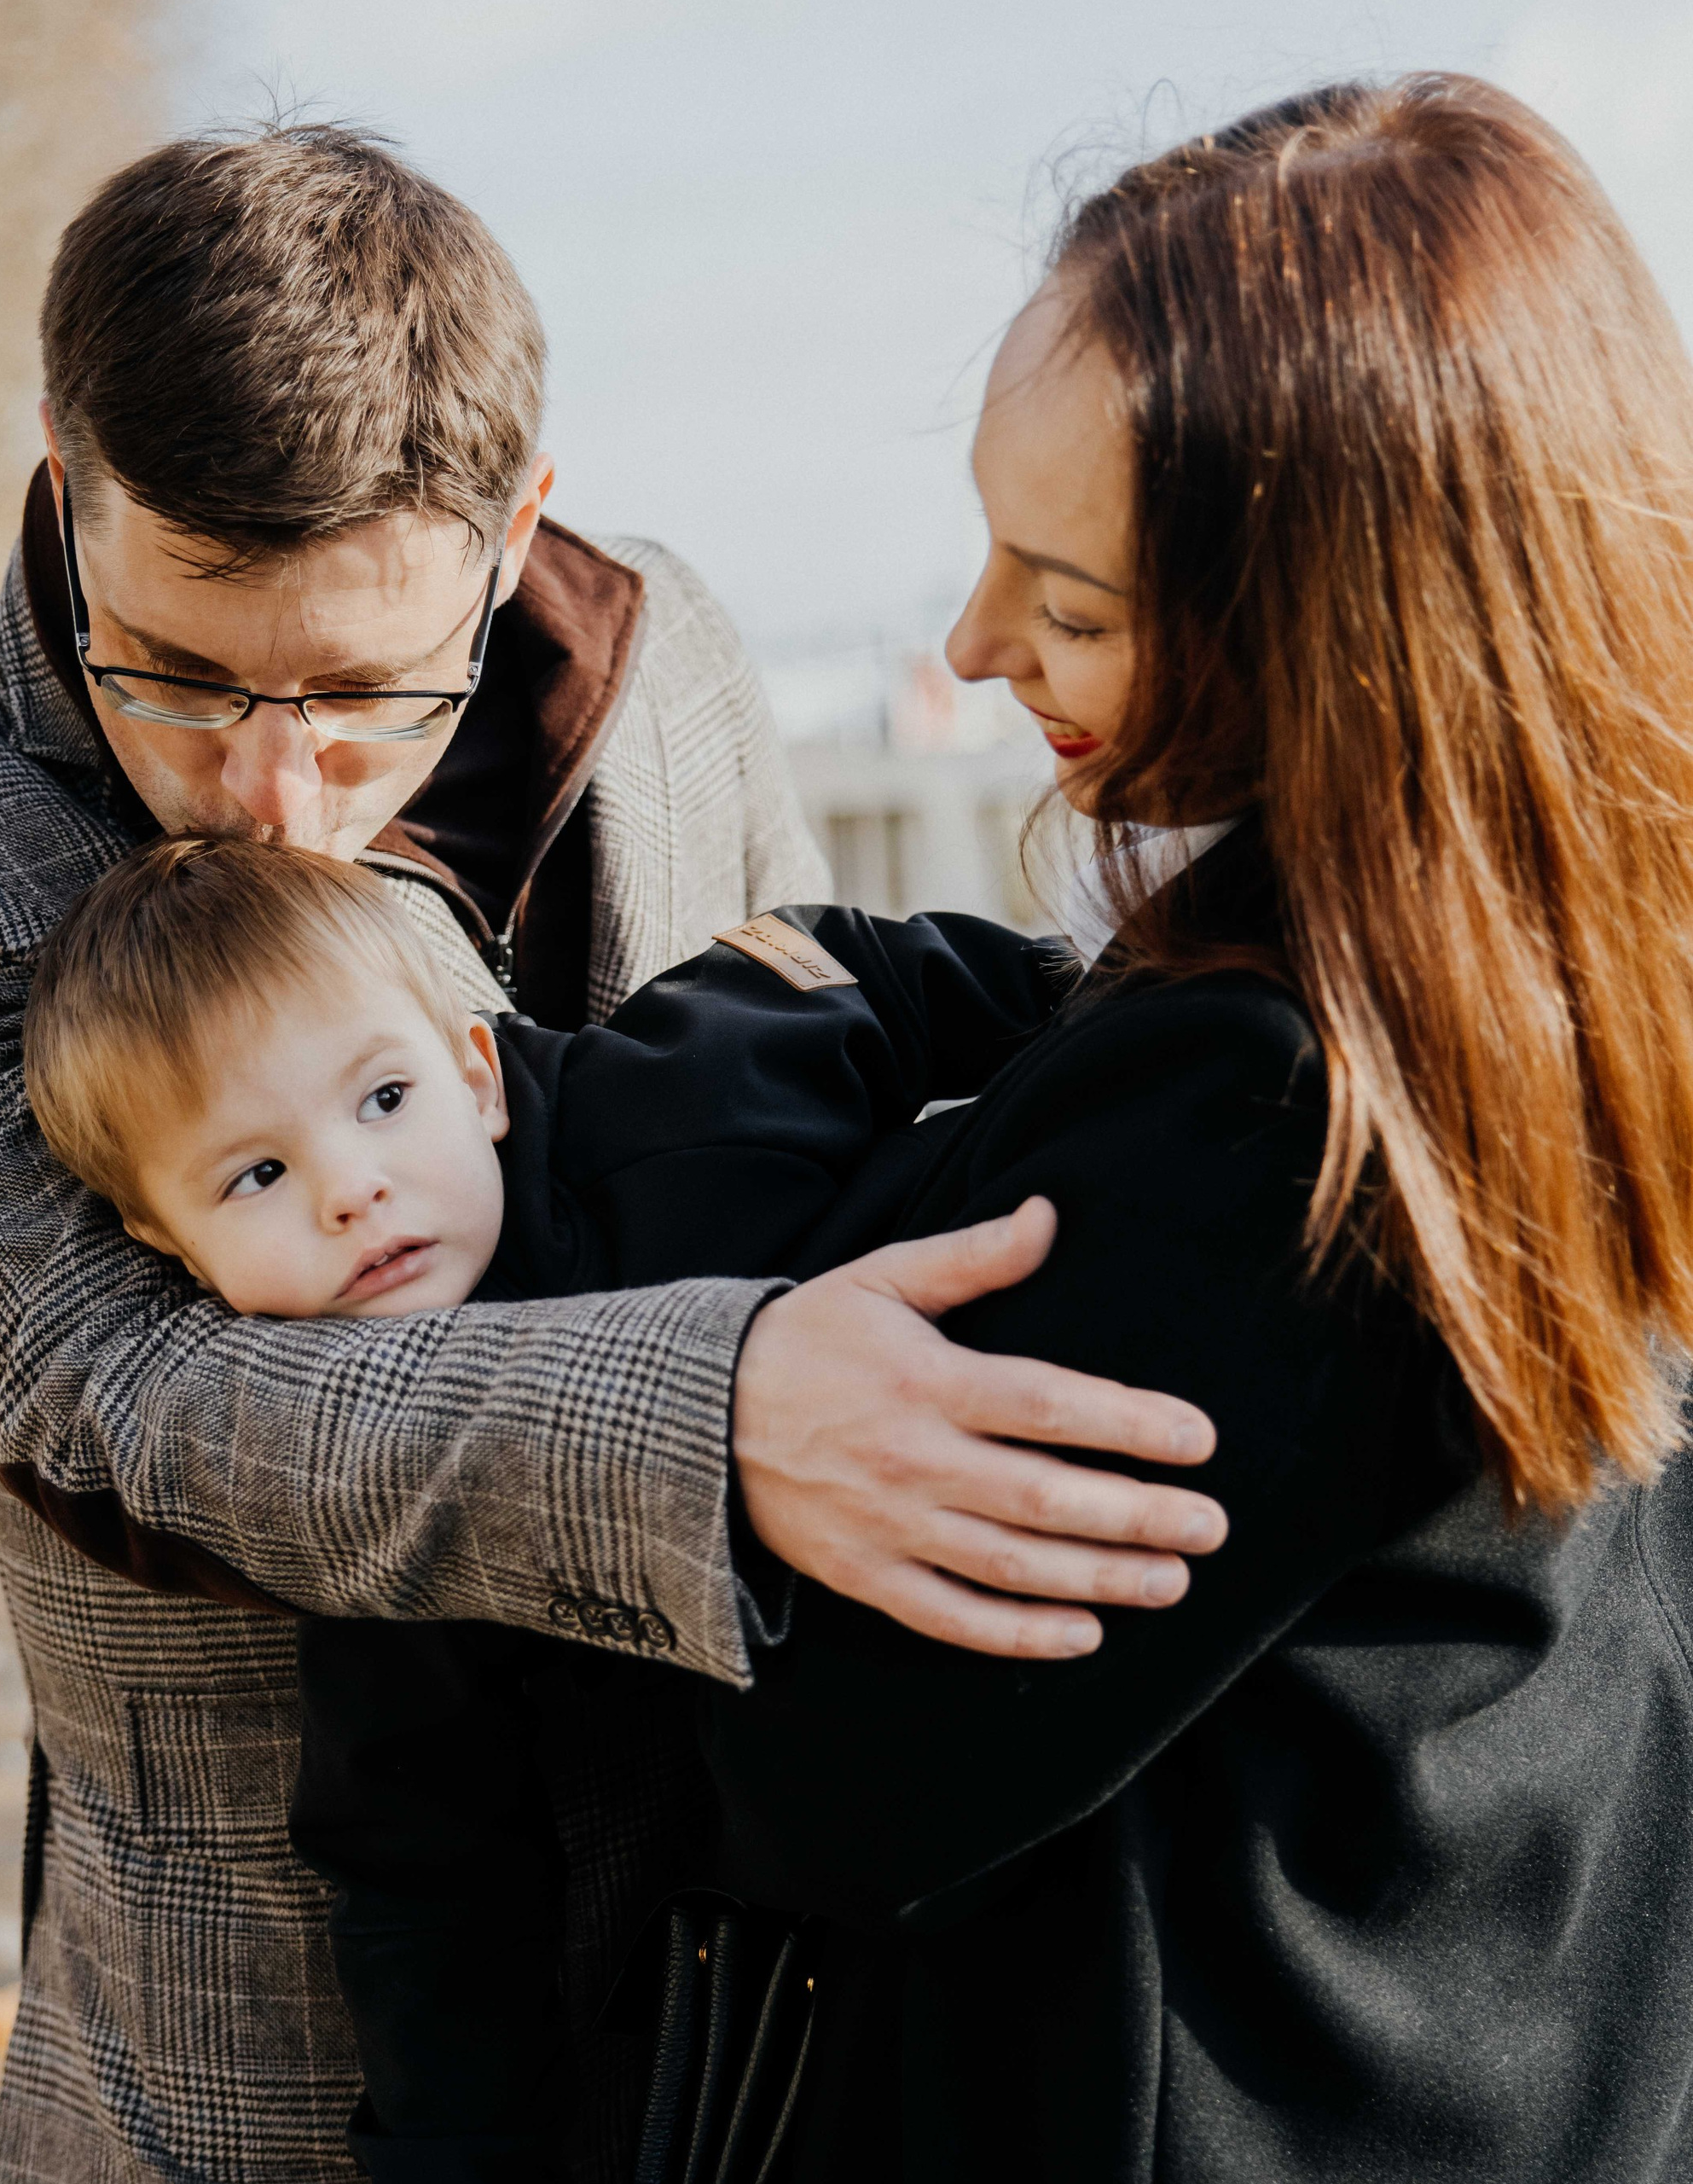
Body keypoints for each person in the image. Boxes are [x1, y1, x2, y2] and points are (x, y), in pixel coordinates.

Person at [0, 125, 1222, 2181]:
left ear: (513, 523)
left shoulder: (669, 651)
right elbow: (109, 1396)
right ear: (68, 493)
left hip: (790, 2026)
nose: (269, 792)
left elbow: (861, 1098)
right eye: (176, 672)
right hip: (281, 2064)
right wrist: (708, 1423)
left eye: (362, 692)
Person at [689, 73, 1693, 2181]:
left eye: (1065, 605)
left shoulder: (1273, 1122)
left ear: (1345, 643)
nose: (969, 648)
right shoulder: (1573, 996)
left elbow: (822, 1781)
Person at [19, 832, 1078, 2180]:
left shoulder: (685, 1085)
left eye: (385, 1098)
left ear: (479, 1077)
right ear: (169, 1246)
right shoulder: (380, 1494)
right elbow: (425, 1873)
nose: (352, 1188)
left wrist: (1084, 998)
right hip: (896, 1816)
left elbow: (854, 967)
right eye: (256, 1177)